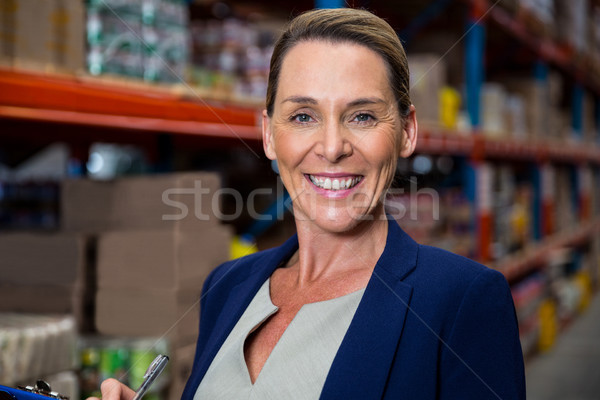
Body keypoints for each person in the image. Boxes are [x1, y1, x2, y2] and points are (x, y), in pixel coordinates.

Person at [94, 8, 526, 400]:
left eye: (363, 116)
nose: (332, 147)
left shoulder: (462, 301)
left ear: (407, 131)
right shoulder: (227, 287)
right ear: (268, 134)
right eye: (303, 116)